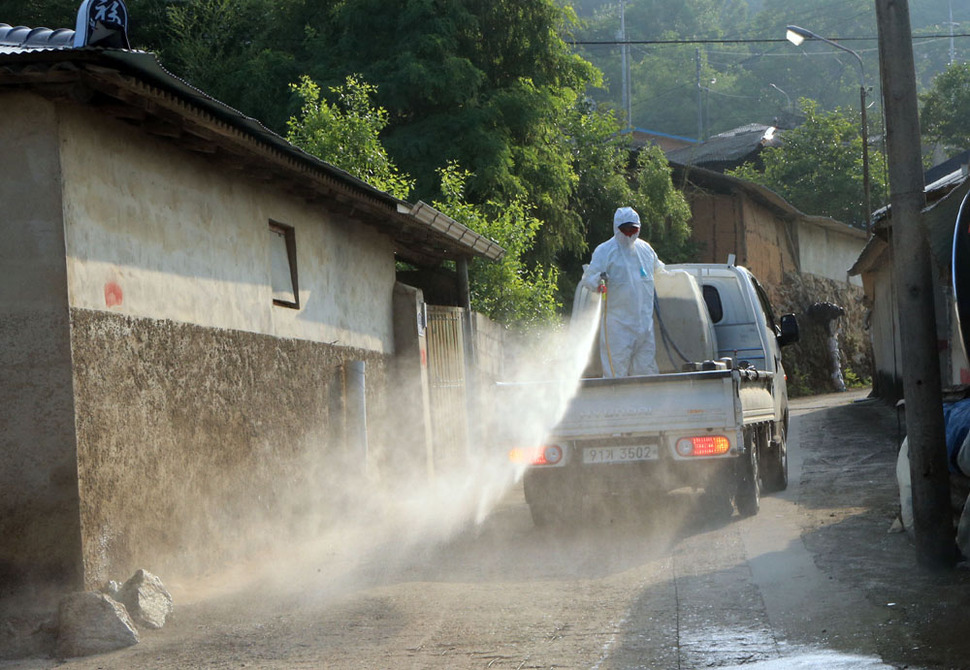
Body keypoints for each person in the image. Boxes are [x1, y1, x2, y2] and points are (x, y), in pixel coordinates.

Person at [581, 206, 665, 377]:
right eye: (624, 230)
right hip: (617, 328)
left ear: (639, 228)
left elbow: (661, 272)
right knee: (615, 375)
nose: (629, 234)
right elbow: (588, 279)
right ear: (616, 228)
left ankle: (645, 404)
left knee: (647, 372)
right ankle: (616, 404)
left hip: (644, 328)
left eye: (632, 229)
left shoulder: (646, 250)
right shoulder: (605, 251)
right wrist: (597, 281)